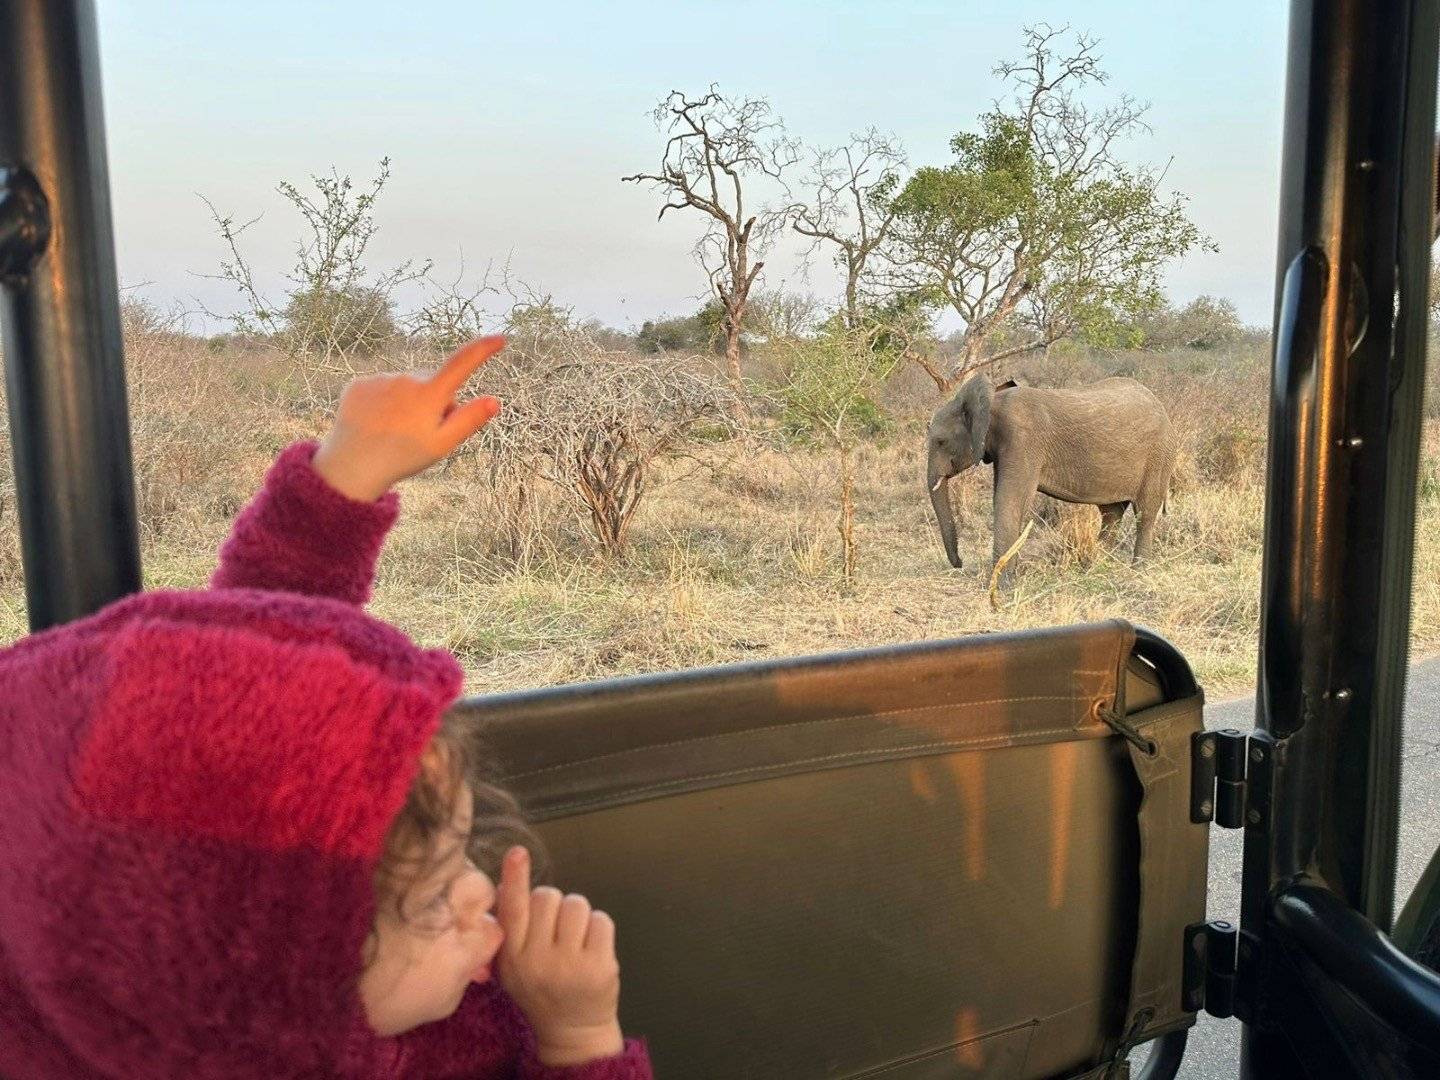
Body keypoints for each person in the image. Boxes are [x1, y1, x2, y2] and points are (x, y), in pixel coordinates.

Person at [0, 337, 652, 1078]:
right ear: (266, 984)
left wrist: (348, 474)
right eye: (437, 899)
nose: (483, 898)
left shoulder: (178, 997)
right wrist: (579, 1038)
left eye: (459, 861)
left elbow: (245, 707)